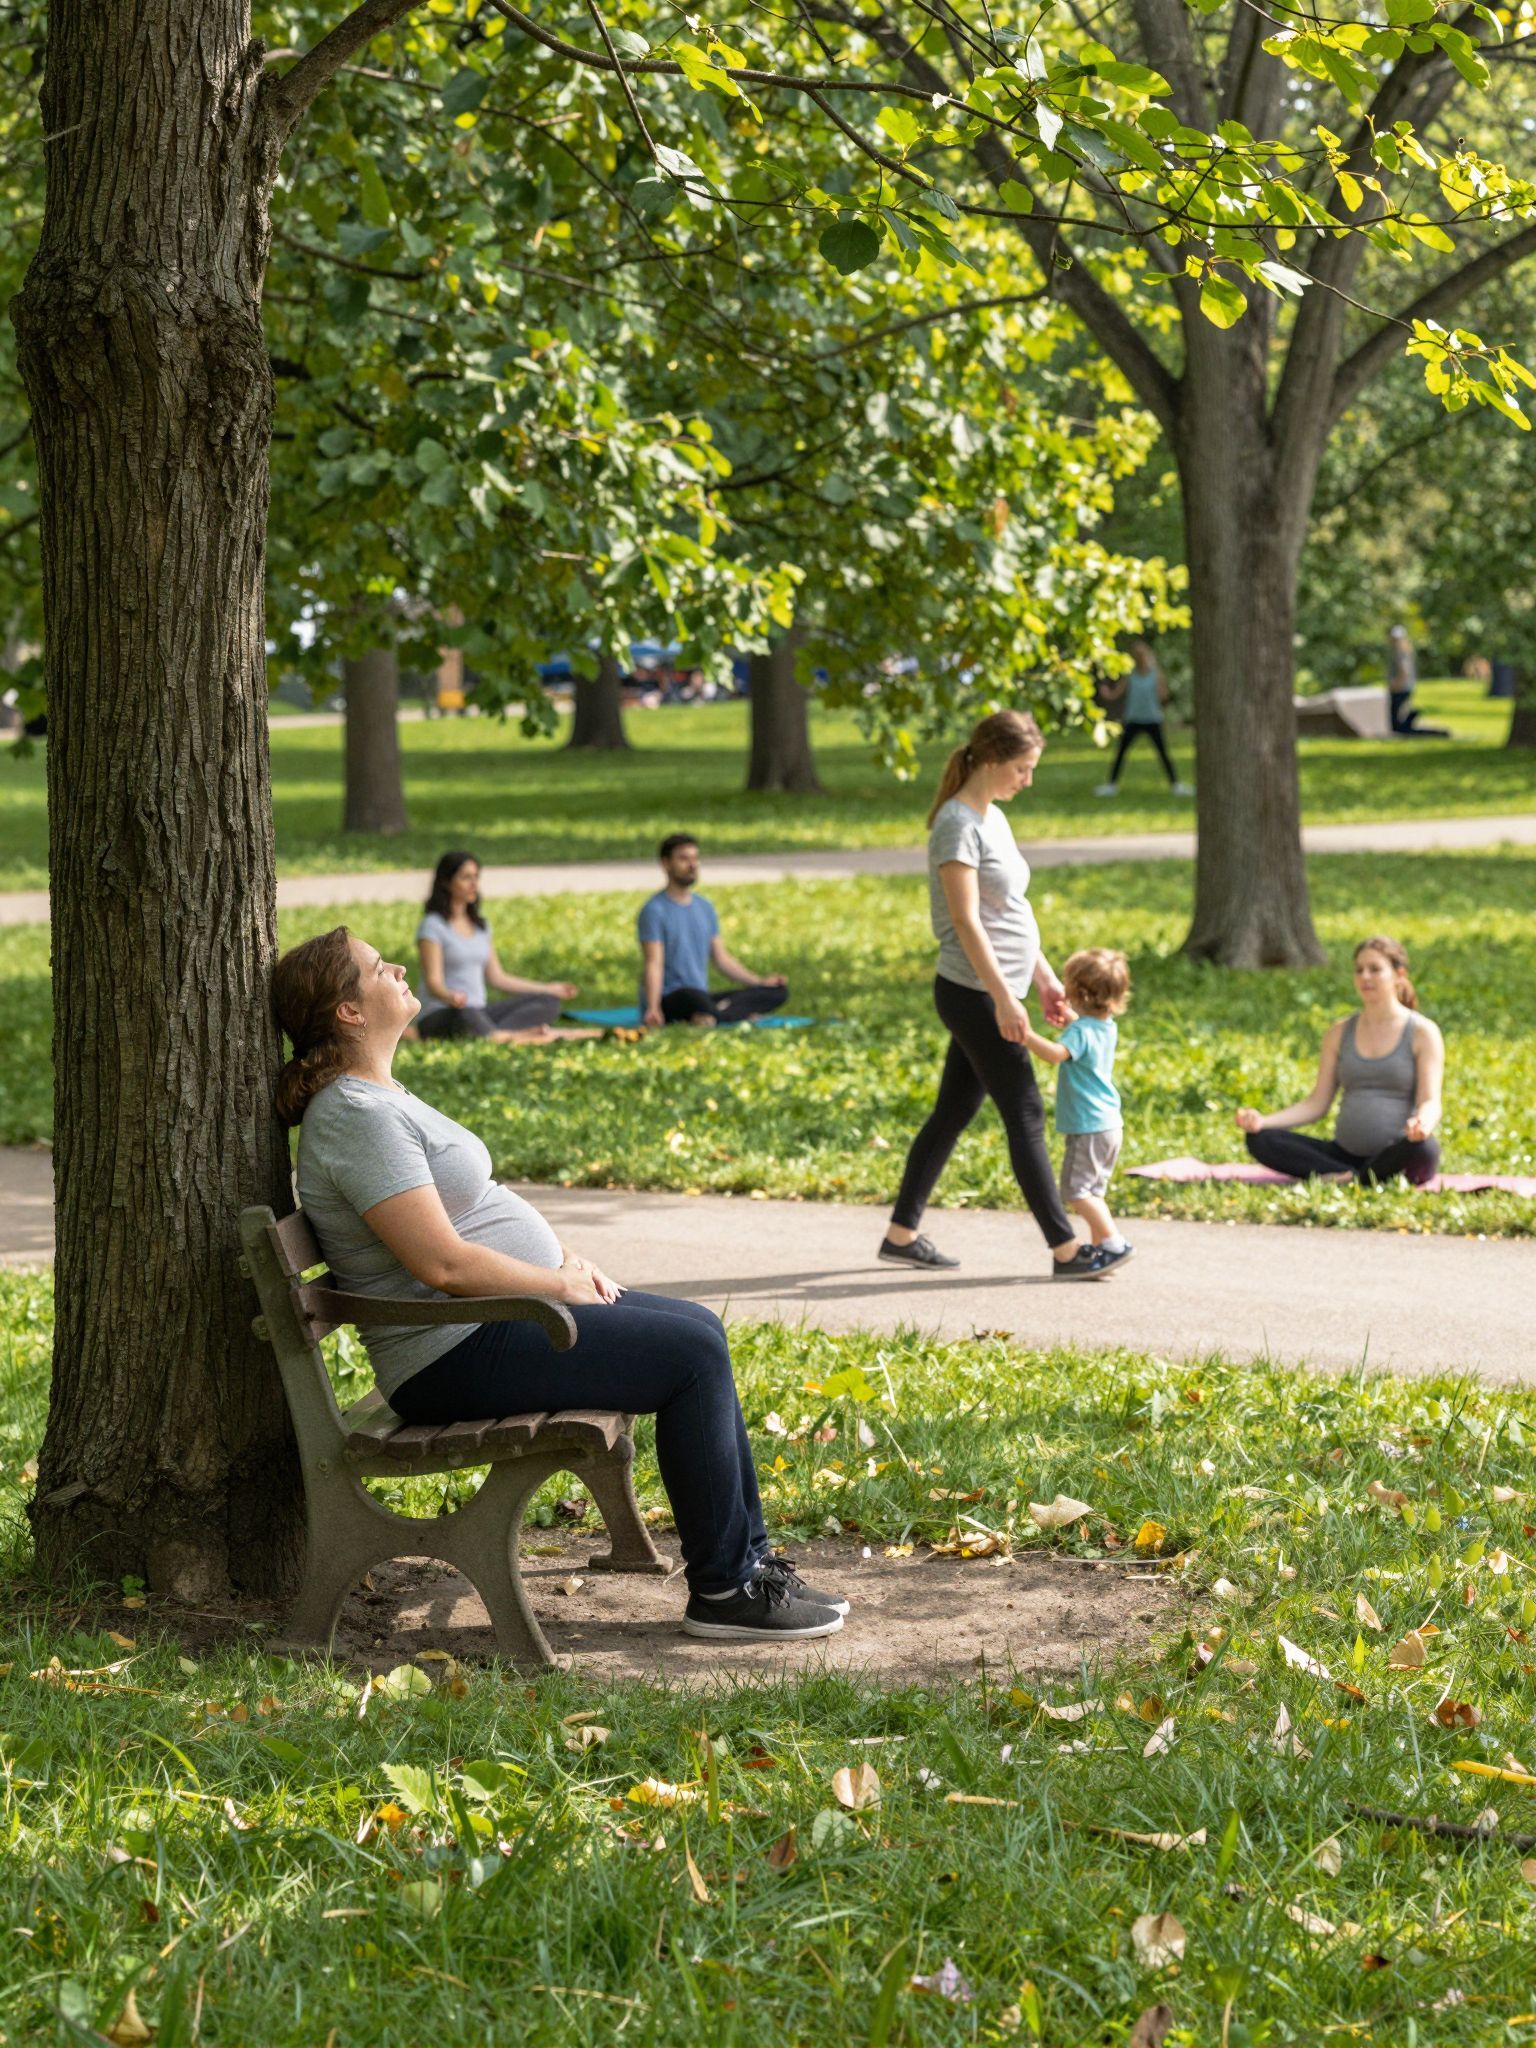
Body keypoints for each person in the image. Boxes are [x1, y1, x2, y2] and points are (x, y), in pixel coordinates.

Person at [271, 926, 846, 1642]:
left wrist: (570, 1265)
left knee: (700, 1330)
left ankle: (748, 1565)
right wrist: (555, 1284)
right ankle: (724, 1591)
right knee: (690, 1360)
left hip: (493, 1325)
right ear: (348, 1012)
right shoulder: (354, 1117)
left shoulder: (377, 1098)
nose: (394, 968)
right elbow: (440, 1265)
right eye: (374, 967)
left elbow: (473, 1215)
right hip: (450, 1354)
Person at [881, 710, 1115, 1281]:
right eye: (1021, 768)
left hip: (998, 989)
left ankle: (901, 1235)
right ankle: (1066, 1249)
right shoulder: (956, 826)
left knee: (953, 1112)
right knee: (1025, 1112)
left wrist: (1042, 977)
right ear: (990, 761)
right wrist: (1003, 1000)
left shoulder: (993, 818)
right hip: (973, 993)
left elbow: (1009, 912)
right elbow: (965, 921)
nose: (1027, 780)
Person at [1234, 935, 1444, 1185]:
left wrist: (1423, 1123)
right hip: (1342, 1156)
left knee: (1424, 1148)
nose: (1365, 976)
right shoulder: (1339, 1032)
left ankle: (1349, 1178)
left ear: (1399, 975)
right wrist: (1263, 1121)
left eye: (1375, 969)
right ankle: (1354, 1177)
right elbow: (1317, 1103)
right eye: (1359, 970)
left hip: (1397, 1153)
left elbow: (1430, 1101)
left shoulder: (1422, 1032)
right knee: (1260, 1139)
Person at [1022, 948, 1135, 1270]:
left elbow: (1058, 1054)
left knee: (1076, 1191)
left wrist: (1027, 1037)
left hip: (1088, 1126)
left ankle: (1115, 1243)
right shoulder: (1104, 1026)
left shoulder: (1080, 1032)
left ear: (1079, 993)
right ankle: (1103, 1253)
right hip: (1108, 1124)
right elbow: (1084, 1034)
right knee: (1093, 1192)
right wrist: (1071, 1017)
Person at [415, 851, 595, 1044]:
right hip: (444, 1013)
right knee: (466, 1014)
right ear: (446, 882)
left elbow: (498, 977)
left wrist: (548, 989)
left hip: (479, 1013)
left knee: (548, 1002)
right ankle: (513, 1036)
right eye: (466, 877)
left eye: (476, 877)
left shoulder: (480, 927)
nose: (474, 884)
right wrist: (450, 997)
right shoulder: (433, 926)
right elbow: (434, 984)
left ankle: (491, 1034)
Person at [639, 834, 789, 1028]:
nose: (692, 865)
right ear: (666, 863)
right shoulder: (654, 910)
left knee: (778, 992)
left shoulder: (704, 907)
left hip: (701, 995)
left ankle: (711, 1015)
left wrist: (759, 982)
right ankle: (728, 1013)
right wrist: (652, 1007)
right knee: (693, 997)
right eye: (684, 859)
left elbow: (721, 959)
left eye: (695, 858)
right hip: (671, 997)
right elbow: (654, 963)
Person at [1095, 641, 1193, 797]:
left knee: (1163, 754)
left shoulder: (1155, 674)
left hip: (1152, 719)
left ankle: (1176, 785)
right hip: (1133, 719)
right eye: (1136, 655)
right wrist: (1106, 693)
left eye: (1142, 654)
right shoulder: (1130, 674)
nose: (1140, 658)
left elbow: (1164, 696)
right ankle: (1111, 785)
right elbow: (1117, 693)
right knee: (1120, 753)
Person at [1385, 625, 1450, 738]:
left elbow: (1404, 671)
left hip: (1401, 688)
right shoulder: (1406, 651)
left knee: (1396, 724)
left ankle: (1414, 716)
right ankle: (1412, 716)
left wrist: (1395, 685)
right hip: (1406, 687)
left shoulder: (1400, 653)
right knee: (1399, 720)